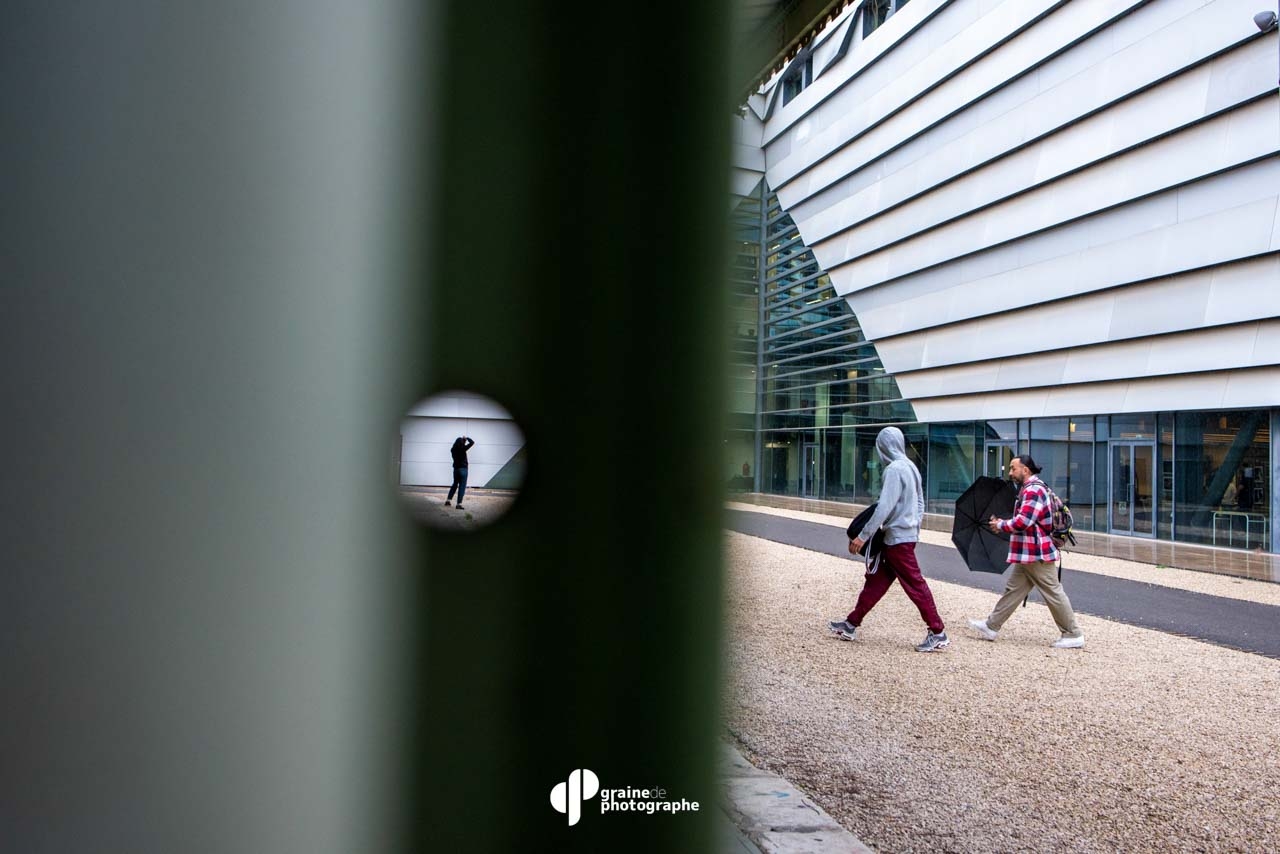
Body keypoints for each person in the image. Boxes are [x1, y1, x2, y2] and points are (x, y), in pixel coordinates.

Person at [827, 426, 949, 653]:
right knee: (876, 582)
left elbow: (884, 507)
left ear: (882, 446)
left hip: (897, 539)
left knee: (915, 584)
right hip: (904, 536)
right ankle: (851, 624)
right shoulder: (911, 467)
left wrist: (863, 536)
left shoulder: (894, 469)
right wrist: (913, 525)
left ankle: (937, 631)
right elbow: (921, 503)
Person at [968, 455, 1085, 649]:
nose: (1010, 472)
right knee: (1014, 590)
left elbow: (1024, 521)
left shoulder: (1033, 490)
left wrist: (1002, 524)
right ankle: (991, 626)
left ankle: (1073, 633)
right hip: (1029, 552)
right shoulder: (1030, 489)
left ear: (1026, 470)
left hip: (1036, 552)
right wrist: (1003, 525)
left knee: (1053, 592)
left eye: (1014, 468)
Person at [445, 436, 475, 510]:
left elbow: (459, 445)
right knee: (462, 487)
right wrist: (467, 438)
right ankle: (459, 504)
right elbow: (472, 442)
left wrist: (462, 441)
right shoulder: (463, 448)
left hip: (456, 469)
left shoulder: (453, 450)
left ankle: (448, 500)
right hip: (463, 470)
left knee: (454, 485)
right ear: (462, 443)